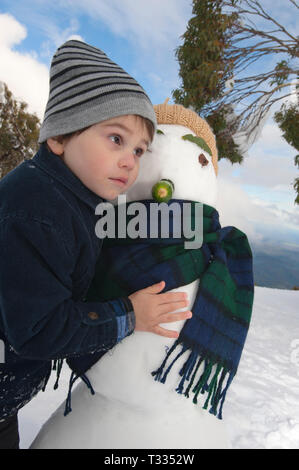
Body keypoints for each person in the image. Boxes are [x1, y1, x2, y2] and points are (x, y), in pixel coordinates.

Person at [0, 39, 192, 449]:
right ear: (59, 138)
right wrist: (128, 315)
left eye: (140, 150)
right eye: (116, 139)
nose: (131, 160)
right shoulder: (36, 210)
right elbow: (37, 331)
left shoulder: (70, 199)